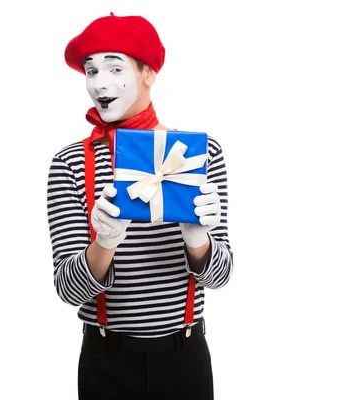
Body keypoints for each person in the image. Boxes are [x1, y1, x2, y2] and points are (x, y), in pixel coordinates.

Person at [46, 12, 234, 400]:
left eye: (115, 68)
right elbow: (68, 289)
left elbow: (221, 276)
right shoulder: (69, 163)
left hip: (185, 359)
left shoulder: (197, 155)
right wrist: (105, 243)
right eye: (91, 71)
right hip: (105, 361)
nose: (100, 84)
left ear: (148, 73)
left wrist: (198, 242)